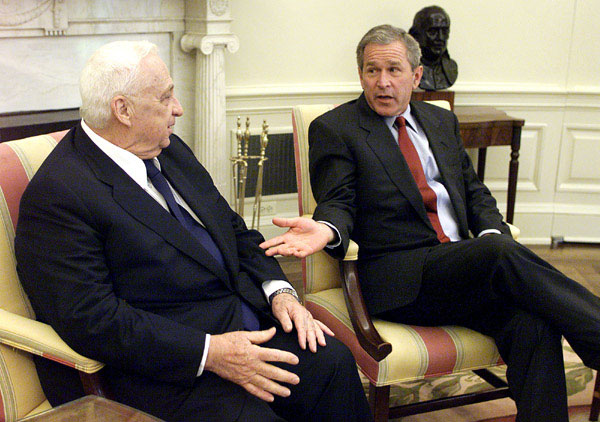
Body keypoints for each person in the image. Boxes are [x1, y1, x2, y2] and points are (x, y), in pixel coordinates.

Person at [14, 40, 372, 422]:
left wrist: (281, 293)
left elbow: (232, 229)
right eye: (165, 97)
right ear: (123, 110)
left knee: (333, 363)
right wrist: (211, 353)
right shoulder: (59, 194)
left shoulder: (167, 149)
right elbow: (92, 318)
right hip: (167, 368)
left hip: (242, 322)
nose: (178, 108)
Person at [261, 24, 600, 422]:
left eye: (394, 70)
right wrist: (327, 228)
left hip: (463, 271)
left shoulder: (440, 122)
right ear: (361, 75)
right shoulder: (337, 128)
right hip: (400, 279)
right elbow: (338, 200)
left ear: (416, 75)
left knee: (532, 322)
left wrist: (491, 232)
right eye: (372, 70)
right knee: (497, 252)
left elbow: (474, 192)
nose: (382, 82)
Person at [409, 6, 457, 90]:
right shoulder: (408, 68)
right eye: (432, 32)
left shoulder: (451, 68)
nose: (440, 37)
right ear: (415, 35)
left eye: (444, 31)